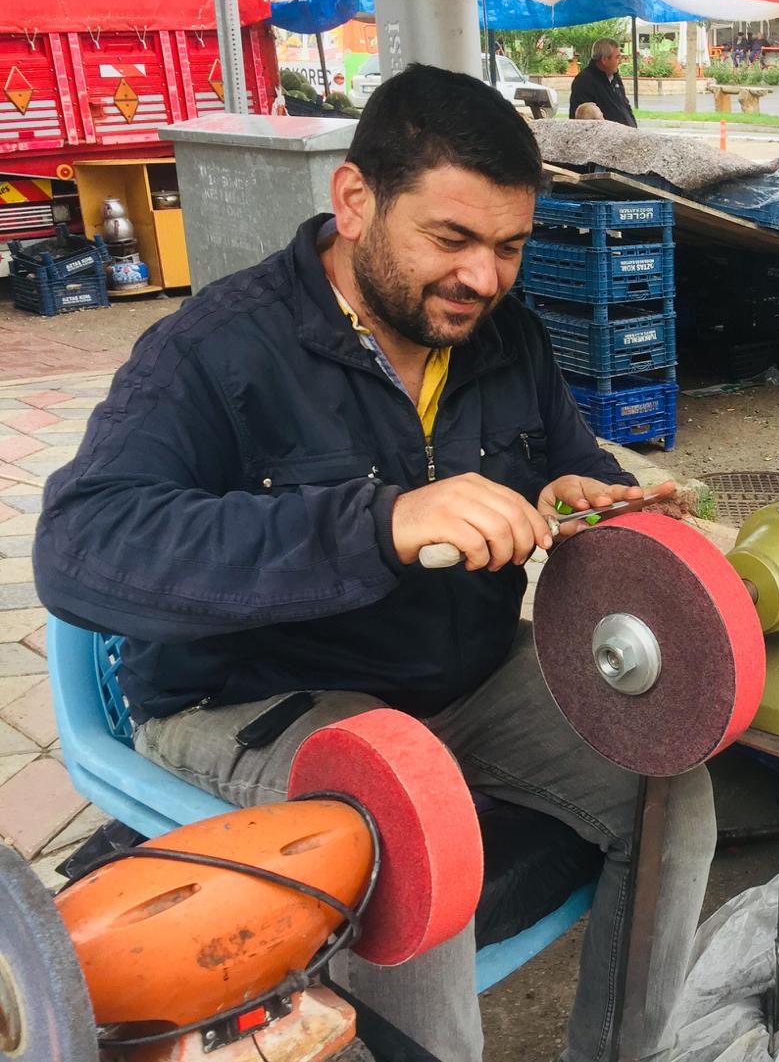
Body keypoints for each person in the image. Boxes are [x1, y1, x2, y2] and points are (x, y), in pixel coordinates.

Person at [34, 64, 713, 1062]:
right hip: (254, 697)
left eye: (509, 248)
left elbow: (567, 458)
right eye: (451, 239)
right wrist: (376, 523)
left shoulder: (504, 336)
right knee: (411, 830)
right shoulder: (215, 352)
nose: (483, 277)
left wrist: (589, 493)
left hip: (459, 680)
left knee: (669, 772)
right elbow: (81, 549)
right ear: (353, 201)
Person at [568, 37, 637, 126]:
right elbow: (581, 120)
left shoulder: (614, 76)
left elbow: (625, 106)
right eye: (617, 57)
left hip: (627, 135)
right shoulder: (584, 81)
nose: (620, 62)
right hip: (606, 137)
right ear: (604, 59)